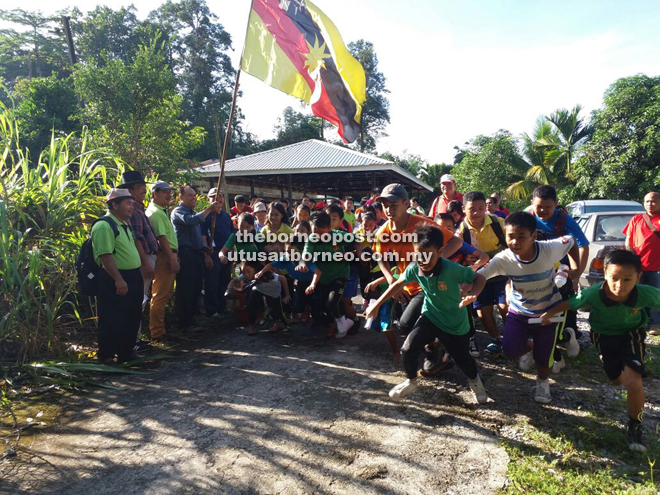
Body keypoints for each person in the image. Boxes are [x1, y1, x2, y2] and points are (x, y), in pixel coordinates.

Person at [540, 249, 660, 452]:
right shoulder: (592, 294)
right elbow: (569, 304)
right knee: (616, 379)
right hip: (603, 336)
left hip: (632, 334)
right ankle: (620, 374)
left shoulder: (646, 293)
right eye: (614, 278)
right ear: (604, 273)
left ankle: (635, 426)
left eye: (627, 280)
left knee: (634, 381)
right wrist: (547, 314)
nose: (620, 286)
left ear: (639, 277)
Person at [366, 224, 488, 404]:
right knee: (408, 348)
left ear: (440, 252)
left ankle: (475, 382)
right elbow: (397, 284)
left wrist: (473, 294)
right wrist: (376, 305)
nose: (423, 260)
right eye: (419, 255)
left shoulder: (452, 269)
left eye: (428, 255)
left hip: (455, 323)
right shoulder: (415, 267)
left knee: (463, 359)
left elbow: (479, 278)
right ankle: (411, 381)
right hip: (430, 317)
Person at [477, 211, 577, 403]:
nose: (515, 242)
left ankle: (542, 383)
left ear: (533, 236)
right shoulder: (503, 258)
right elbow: (482, 275)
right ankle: (532, 347)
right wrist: (469, 288)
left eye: (521, 237)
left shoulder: (549, 249)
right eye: (510, 237)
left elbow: (572, 241)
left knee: (544, 355)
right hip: (519, 311)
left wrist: (576, 270)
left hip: (549, 312)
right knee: (510, 350)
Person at [374, 184, 463, 366]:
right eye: (385, 205)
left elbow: (456, 241)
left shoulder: (420, 224)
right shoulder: (384, 232)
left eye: (394, 205)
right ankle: (437, 345)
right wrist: (392, 281)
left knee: (406, 325)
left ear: (406, 203)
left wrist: (434, 261)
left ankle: (434, 348)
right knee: (409, 324)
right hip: (407, 285)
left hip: (428, 284)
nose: (389, 210)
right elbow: (380, 257)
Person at [530, 185, 589, 368]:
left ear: (556, 203)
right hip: (537, 269)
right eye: (539, 206)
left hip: (562, 270)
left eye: (548, 207)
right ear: (532, 203)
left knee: (564, 305)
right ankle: (544, 344)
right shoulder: (528, 217)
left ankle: (568, 336)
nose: (543, 211)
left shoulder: (565, 220)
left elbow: (583, 246)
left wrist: (576, 274)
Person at [91, 189, 143, 363]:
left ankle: (125, 353)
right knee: (113, 317)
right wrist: (118, 279)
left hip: (133, 276)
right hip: (116, 277)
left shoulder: (124, 224)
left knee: (132, 315)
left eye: (132, 203)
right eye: (128, 203)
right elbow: (106, 255)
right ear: (114, 204)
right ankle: (106, 355)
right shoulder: (104, 225)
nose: (132, 207)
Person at [458, 191, 508, 355]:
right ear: (464, 208)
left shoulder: (498, 223)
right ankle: (496, 340)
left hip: (502, 273)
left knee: (505, 306)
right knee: (482, 313)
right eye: (472, 209)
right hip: (479, 277)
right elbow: (457, 253)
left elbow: (513, 244)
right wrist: (467, 259)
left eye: (481, 208)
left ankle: (513, 338)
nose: (477, 213)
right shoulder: (462, 229)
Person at [117, 171, 158, 351]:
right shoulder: (132, 211)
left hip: (148, 257)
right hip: (142, 260)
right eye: (139, 187)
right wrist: (146, 263)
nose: (143, 189)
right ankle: (133, 340)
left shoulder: (139, 209)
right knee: (138, 300)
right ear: (129, 190)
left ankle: (136, 338)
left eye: (144, 186)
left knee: (141, 299)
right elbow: (136, 239)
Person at [171, 186, 221, 329]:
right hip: (186, 255)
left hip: (196, 254)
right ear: (181, 197)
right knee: (186, 288)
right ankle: (184, 322)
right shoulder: (178, 212)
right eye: (190, 195)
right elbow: (192, 221)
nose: (194, 198)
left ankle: (192, 318)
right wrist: (209, 209)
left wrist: (205, 248)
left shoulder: (194, 213)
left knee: (196, 287)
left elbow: (197, 236)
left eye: (194, 195)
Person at [301, 211, 356, 338]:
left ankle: (345, 324)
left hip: (340, 274)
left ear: (329, 228)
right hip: (323, 277)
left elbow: (357, 241)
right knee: (323, 304)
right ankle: (344, 323)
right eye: (316, 232)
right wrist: (304, 262)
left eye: (321, 232)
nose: (318, 236)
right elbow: (306, 254)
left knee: (333, 301)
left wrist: (352, 254)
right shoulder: (311, 239)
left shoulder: (338, 235)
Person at [146, 181, 179, 341]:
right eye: (165, 192)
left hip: (168, 254)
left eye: (170, 192)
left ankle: (161, 329)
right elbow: (161, 238)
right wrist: (172, 258)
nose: (169, 195)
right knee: (159, 295)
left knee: (164, 293)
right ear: (154, 194)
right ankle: (157, 333)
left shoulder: (160, 211)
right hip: (165, 256)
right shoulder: (156, 213)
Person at [624, 192, 660, 327]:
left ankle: (656, 324)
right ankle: (638, 322)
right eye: (647, 201)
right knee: (637, 295)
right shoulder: (636, 219)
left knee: (656, 297)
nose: (650, 204)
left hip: (658, 267)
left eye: (653, 201)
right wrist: (630, 256)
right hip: (639, 267)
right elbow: (629, 239)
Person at [230, 261, 291, 336]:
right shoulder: (245, 275)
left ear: (256, 270)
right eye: (243, 272)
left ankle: (277, 323)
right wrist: (229, 288)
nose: (246, 275)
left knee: (275, 308)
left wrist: (287, 295)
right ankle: (252, 325)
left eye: (248, 271)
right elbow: (234, 280)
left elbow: (282, 278)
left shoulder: (269, 276)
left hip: (273, 292)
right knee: (250, 304)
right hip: (258, 290)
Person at [201, 188, 234, 318]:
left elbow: (232, 235)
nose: (218, 199)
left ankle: (222, 306)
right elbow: (203, 237)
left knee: (224, 280)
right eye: (214, 196)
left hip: (226, 252)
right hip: (213, 252)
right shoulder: (205, 217)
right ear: (208, 199)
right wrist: (206, 255)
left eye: (220, 196)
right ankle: (212, 309)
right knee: (212, 282)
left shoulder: (226, 216)